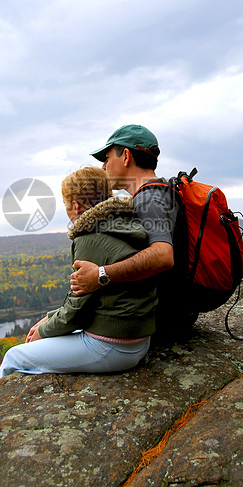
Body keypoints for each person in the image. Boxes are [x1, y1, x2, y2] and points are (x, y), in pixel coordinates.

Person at [0, 166, 158, 379]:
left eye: (65, 204)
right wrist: (48, 318)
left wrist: (42, 332)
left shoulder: (88, 237)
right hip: (140, 339)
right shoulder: (126, 224)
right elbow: (89, 301)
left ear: (75, 206)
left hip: (112, 346)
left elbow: (77, 311)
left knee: (14, 357)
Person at [69, 124, 191, 334]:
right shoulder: (156, 192)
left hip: (163, 321)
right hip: (170, 315)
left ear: (126, 156)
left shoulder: (150, 198)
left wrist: (100, 275)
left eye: (107, 158)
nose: (104, 167)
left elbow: (163, 256)